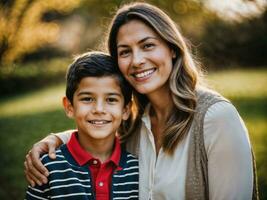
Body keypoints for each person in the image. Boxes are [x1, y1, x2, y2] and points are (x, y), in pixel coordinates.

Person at [24, 2, 258, 200]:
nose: (137, 60)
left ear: (172, 49)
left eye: (148, 46)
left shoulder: (217, 118)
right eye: (125, 52)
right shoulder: (136, 122)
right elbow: (101, 126)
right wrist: (53, 139)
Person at [25, 51, 139, 200]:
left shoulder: (137, 170)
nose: (99, 109)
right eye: (87, 99)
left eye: (111, 99)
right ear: (69, 107)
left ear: (125, 110)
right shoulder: (46, 169)